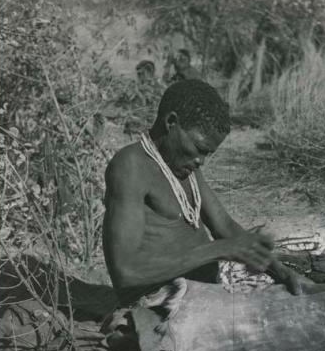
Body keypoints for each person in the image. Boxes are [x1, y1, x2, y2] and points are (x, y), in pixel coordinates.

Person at [103, 79, 310, 306]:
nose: (200, 161)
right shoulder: (131, 166)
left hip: (200, 295)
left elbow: (224, 226)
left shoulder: (180, 165)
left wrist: (277, 270)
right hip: (159, 302)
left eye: (207, 154)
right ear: (172, 122)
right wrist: (217, 250)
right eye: (198, 149)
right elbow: (125, 271)